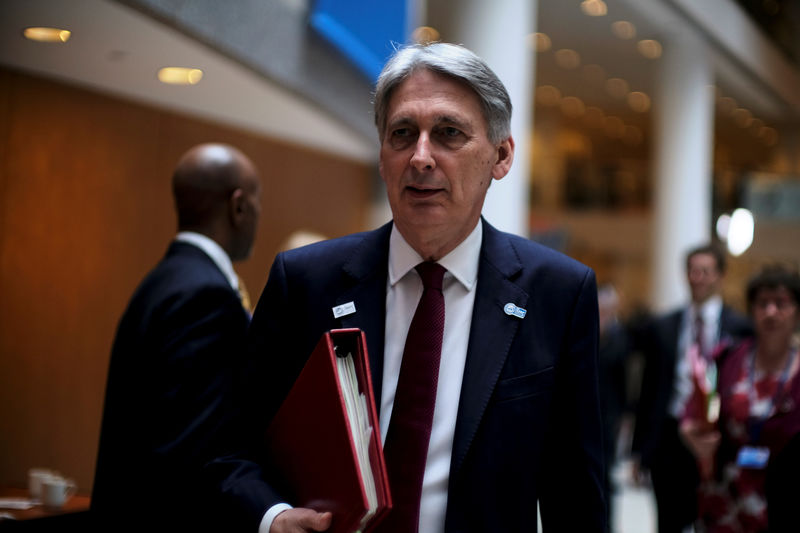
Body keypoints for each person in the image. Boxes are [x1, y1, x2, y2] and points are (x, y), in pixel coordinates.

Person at [210, 42, 606, 533]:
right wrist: (273, 517)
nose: (421, 157)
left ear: (500, 157)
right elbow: (230, 451)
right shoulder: (306, 283)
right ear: (382, 156)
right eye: (402, 134)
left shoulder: (558, 294)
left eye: (448, 133)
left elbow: (578, 495)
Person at [92, 143, 262, 531]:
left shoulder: (160, 282)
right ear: (238, 206)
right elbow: (197, 448)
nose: (258, 214)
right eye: (257, 201)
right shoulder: (207, 296)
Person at [632, 244, 752, 533]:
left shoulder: (740, 328)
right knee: (668, 522)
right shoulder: (663, 326)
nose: (697, 278)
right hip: (669, 440)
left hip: (718, 440)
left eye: (706, 271)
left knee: (715, 520)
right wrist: (640, 452)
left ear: (720, 276)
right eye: (692, 271)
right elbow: (648, 392)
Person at [687, 264, 800, 533]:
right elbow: (692, 415)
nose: (771, 312)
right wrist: (693, 436)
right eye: (762, 303)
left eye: (781, 303)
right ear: (751, 311)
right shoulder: (726, 358)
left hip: (785, 503)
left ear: (796, 311)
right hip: (725, 501)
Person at [597, 283, 630, 530]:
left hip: (609, 415)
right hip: (581, 414)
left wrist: (624, 417)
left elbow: (625, 380)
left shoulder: (620, 337)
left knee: (606, 477)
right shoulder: (583, 329)